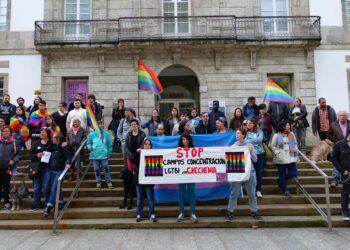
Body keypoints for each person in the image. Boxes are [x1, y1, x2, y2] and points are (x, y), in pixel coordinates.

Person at [225, 128, 262, 221]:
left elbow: (255, 159)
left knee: (252, 193)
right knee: (233, 193)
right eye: (236, 133)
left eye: (239, 133)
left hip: (250, 172)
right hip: (237, 173)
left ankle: (254, 211)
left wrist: (250, 152)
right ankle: (230, 212)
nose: (237, 135)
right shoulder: (233, 147)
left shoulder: (249, 145)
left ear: (243, 135)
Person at [43, 133, 72, 217]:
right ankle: (60, 201)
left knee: (54, 188)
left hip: (60, 171)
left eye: (54, 138)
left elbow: (69, 156)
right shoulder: (52, 146)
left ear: (58, 139)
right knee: (57, 187)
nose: (52, 139)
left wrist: (68, 163)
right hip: (51, 170)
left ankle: (49, 206)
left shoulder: (63, 147)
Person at [270, 121, 298, 197]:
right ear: (283, 126)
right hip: (280, 159)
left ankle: (280, 181)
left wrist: (295, 149)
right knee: (282, 174)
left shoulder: (291, 134)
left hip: (291, 157)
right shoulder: (276, 135)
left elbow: (295, 143)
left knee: (294, 173)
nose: (289, 126)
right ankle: (285, 190)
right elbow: (272, 146)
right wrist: (277, 153)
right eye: (288, 125)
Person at [30, 127, 54, 211]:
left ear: (47, 133)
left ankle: (47, 203)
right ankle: (36, 204)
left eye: (43, 132)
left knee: (46, 186)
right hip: (37, 167)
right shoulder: (36, 143)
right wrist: (37, 155)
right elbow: (31, 155)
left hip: (47, 167)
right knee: (37, 186)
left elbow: (56, 153)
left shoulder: (51, 143)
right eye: (41, 132)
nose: (42, 134)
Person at [134, 139, 157, 222]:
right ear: (143, 145)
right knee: (139, 197)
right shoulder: (139, 153)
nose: (147, 146)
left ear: (151, 146)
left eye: (149, 144)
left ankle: (152, 214)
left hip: (149, 179)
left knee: (150, 198)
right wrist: (137, 153)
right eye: (146, 144)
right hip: (139, 179)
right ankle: (139, 214)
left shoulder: (153, 154)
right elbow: (134, 161)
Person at [177, 133, 198, 222]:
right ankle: (181, 213)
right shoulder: (177, 151)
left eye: (187, 139)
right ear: (181, 141)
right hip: (181, 175)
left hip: (191, 175)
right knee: (181, 194)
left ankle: (192, 213)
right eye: (183, 139)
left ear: (189, 140)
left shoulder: (194, 150)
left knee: (191, 194)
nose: (185, 141)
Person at [86, 120, 113, 189]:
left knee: (106, 169)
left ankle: (109, 182)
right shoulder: (91, 134)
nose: (100, 125)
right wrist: (89, 147)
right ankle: (98, 182)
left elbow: (109, 145)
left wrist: (109, 153)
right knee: (96, 170)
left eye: (101, 124)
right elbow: (88, 143)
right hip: (94, 156)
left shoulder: (106, 134)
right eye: (99, 124)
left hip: (104, 156)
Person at [331, 128, 350, 221]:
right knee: (346, 193)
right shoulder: (339, 144)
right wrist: (342, 170)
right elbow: (334, 158)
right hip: (346, 173)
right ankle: (345, 212)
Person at [327, 111, 350, 188]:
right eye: (340, 115)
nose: (342, 117)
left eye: (344, 115)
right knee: (336, 161)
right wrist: (335, 140)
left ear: (346, 116)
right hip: (338, 146)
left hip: (348, 146)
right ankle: (335, 180)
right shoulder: (333, 124)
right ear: (338, 116)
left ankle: (344, 178)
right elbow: (328, 134)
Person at [0, 126, 20, 210]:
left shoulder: (14, 142)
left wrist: (13, 160)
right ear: (1, 133)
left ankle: (6, 202)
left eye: (7, 131)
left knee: (6, 185)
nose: (6, 132)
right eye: (4, 131)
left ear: (10, 133)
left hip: (8, 167)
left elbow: (18, 154)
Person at [245, 119, 266, 198]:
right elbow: (245, 142)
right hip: (250, 155)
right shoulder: (245, 133)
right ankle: (252, 190)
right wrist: (254, 141)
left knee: (259, 172)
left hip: (260, 153)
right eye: (247, 123)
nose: (248, 125)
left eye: (250, 123)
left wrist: (250, 141)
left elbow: (260, 140)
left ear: (254, 124)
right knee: (251, 173)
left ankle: (258, 190)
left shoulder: (259, 132)